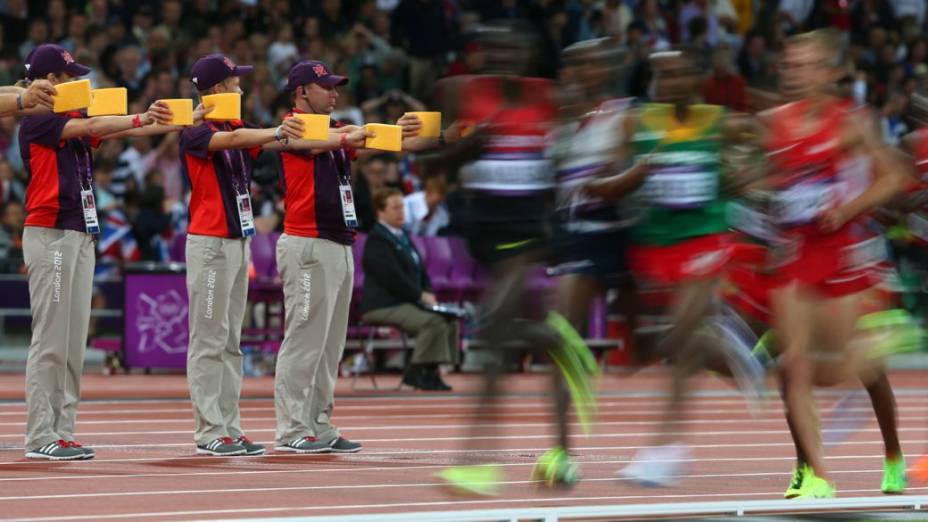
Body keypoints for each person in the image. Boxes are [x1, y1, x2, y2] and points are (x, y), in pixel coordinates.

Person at [584, 47, 765, 486]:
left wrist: (746, 177)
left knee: (679, 342)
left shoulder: (720, 121)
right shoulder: (634, 123)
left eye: (679, 76)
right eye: (660, 77)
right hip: (654, 247)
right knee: (685, 343)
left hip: (705, 240)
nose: (669, 85)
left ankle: (665, 449)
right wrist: (632, 177)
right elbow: (601, 183)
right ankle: (737, 352)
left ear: (697, 78)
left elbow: (770, 140)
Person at [759, 29, 909, 497]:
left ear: (828, 72)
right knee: (795, 365)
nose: (795, 73)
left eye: (806, 65)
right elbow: (771, 184)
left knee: (853, 370)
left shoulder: (851, 123)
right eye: (790, 64)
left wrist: (846, 209)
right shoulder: (771, 122)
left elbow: (896, 178)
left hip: (842, 253)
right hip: (795, 255)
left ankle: (892, 454)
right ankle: (815, 473)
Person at [20, 43, 173, 460]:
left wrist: (172, 120)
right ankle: (40, 434)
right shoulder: (37, 120)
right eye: (70, 77)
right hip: (50, 232)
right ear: (49, 82)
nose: (78, 83)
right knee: (51, 339)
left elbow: (111, 128)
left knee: (71, 342)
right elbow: (91, 130)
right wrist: (141, 117)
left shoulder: (69, 118)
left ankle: (62, 429)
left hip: (78, 233)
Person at [180, 53, 304, 457]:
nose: (242, 88)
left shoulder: (237, 126)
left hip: (236, 241)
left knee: (231, 340)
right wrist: (276, 131)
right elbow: (234, 141)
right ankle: (209, 429)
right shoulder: (196, 131)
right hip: (211, 243)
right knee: (209, 339)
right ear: (217, 89)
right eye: (235, 83)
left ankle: (229, 425)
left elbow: (249, 138)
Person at [272, 59, 374, 455]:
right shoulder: (294, 124)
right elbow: (317, 143)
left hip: (338, 241)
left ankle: (319, 422)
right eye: (326, 87)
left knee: (330, 343)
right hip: (308, 243)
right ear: (301, 93)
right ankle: (291, 427)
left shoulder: (334, 130)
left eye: (335, 87)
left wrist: (407, 132)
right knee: (304, 339)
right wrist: (357, 135)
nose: (334, 94)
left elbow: (352, 139)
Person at [361, 187, 459, 391]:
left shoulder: (402, 236)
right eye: (395, 208)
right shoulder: (377, 240)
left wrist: (428, 291)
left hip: (406, 300)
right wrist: (420, 295)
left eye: (402, 207)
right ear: (380, 212)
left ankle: (431, 372)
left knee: (449, 320)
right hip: (383, 304)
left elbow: (421, 271)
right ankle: (415, 371)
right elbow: (392, 279)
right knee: (432, 322)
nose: (401, 212)